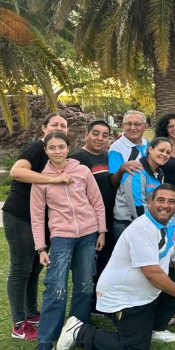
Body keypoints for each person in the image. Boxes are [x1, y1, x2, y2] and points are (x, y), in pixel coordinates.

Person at [55, 185, 175, 350]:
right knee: (135, 347)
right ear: (150, 202)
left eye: (171, 202)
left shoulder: (171, 227)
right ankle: (79, 332)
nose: (166, 205)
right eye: (160, 200)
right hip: (124, 297)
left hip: (143, 294)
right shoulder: (143, 228)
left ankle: (156, 328)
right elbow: (152, 273)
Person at [29, 131, 107, 350]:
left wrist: (101, 231)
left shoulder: (82, 171)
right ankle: (46, 341)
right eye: (52, 148)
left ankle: (78, 332)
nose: (57, 151)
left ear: (68, 148)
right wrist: (41, 248)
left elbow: (96, 201)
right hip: (61, 237)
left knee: (84, 286)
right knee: (56, 288)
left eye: (61, 147)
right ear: (46, 151)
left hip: (88, 234)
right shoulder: (41, 179)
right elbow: (36, 216)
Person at [2, 113, 70, 340]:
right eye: (54, 124)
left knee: (34, 268)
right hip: (20, 216)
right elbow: (16, 171)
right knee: (20, 269)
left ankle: (31, 313)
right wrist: (51, 180)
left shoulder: (58, 152)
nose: (58, 127)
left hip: (42, 220)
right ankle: (18, 323)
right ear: (44, 128)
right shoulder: (36, 149)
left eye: (63, 125)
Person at [70, 120, 116, 311]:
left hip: (109, 218)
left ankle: (99, 301)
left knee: (105, 261)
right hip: (89, 221)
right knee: (88, 264)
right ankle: (87, 303)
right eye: (95, 133)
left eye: (104, 135)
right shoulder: (77, 158)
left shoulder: (108, 156)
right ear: (86, 135)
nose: (100, 138)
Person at [112, 137, 171, 239]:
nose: (164, 154)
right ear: (150, 149)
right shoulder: (136, 172)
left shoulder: (159, 173)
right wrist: (153, 227)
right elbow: (137, 207)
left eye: (168, 152)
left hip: (147, 222)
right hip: (129, 225)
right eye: (161, 150)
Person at [109, 110, 150, 187]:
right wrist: (122, 169)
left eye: (137, 124)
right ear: (123, 126)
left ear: (145, 126)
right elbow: (114, 182)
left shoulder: (148, 144)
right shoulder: (116, 147)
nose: (132, 128)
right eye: (128, 124)